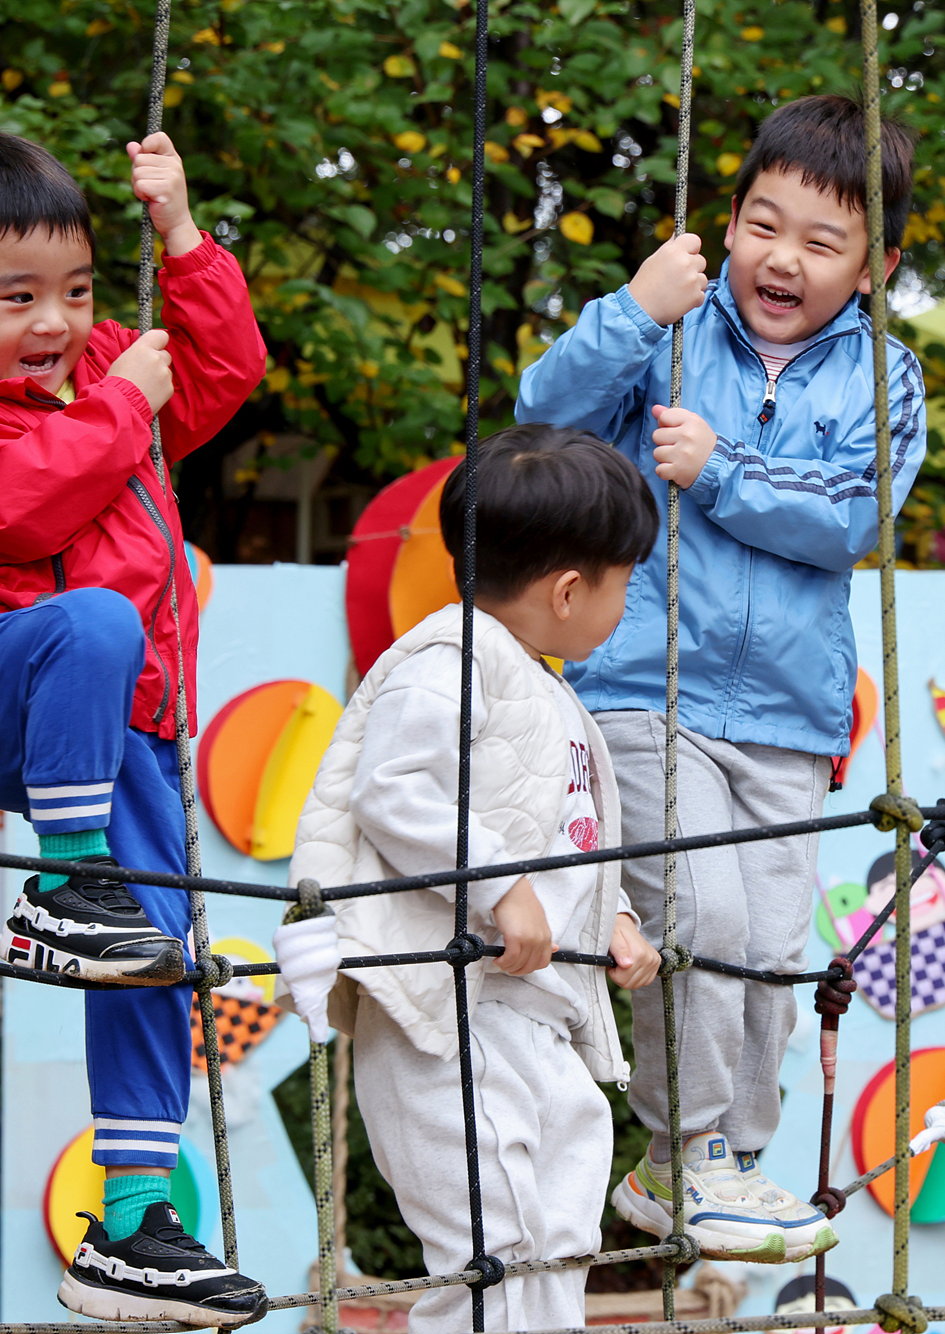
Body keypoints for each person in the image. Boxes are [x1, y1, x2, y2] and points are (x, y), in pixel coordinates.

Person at [0, 129, 268, 1325]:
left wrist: (181, 233)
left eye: (76, 292)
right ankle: (63, 881)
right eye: (17, 296)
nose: (54, 322)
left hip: (124, 727)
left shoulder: (109, 386)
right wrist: (120, 406)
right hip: (1, 689)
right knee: (93, 620)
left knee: (158, 946)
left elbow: (225, 367)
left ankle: (133, 1222)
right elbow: (15, 502)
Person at [514, 93, 921, 1263]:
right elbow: (542, 417)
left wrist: (720, 467)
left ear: (875, 264)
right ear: (728, 221)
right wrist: (631, 308)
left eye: (821, 240)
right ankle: (681, 1147)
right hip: (648, 684)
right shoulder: (670, 333)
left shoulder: (884, 378)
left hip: (789, 715)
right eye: (761, 222)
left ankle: (729, 1160)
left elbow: (852, 518)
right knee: (699, 910)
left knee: (770, 945)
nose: (780, 258)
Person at [282, 426, 664, 1334]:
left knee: (563, 1227)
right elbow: (394, 788)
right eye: (625, 584)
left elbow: (564, 833)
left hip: (538, 1016)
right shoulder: (448, 659)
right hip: (445, 1013)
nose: (627, 604)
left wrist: (610, 913)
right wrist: (498, 888)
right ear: (570, 591)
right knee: (489, 1249)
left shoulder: (549, 691)